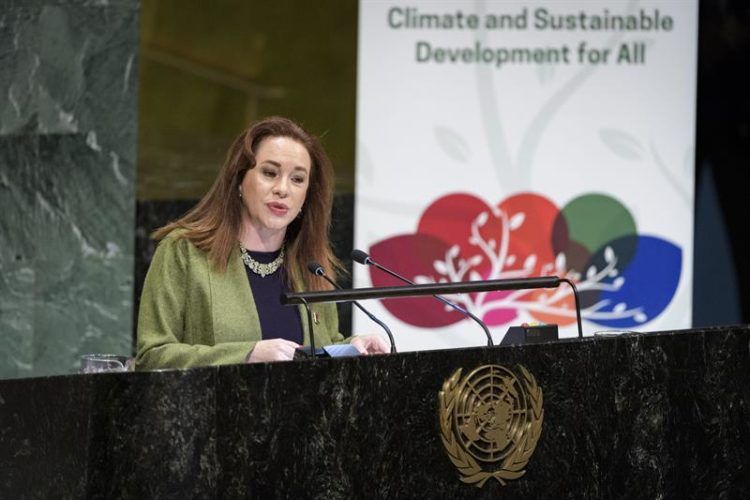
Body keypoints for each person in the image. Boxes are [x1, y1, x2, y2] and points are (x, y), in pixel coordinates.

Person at [136, 116, 389, 369]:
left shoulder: (311, 266)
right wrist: (247, 354)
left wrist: (352, 347)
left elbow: (321, 349)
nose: (282, 189)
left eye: (297, 179)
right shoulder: (183, 252)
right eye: (270, 173)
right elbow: (152, 356)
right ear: (239, 179)